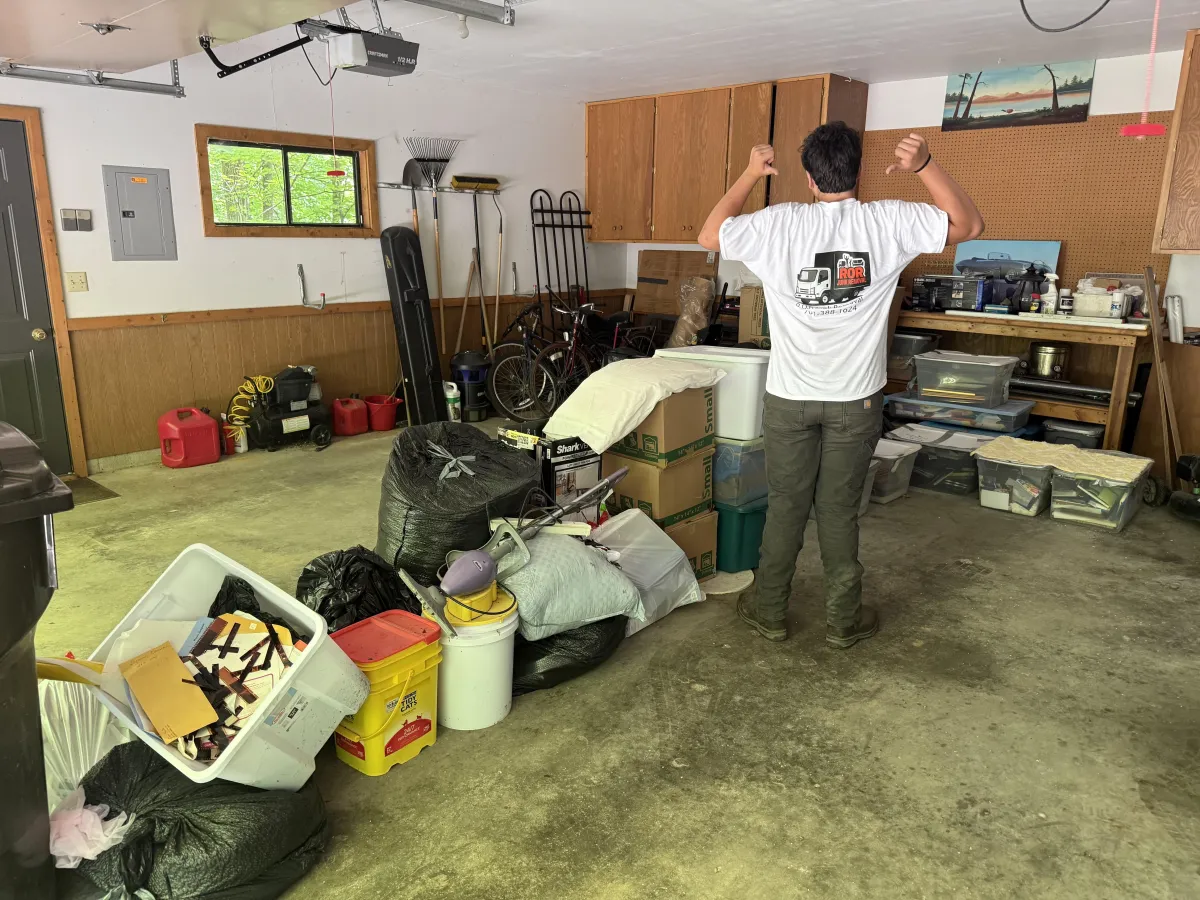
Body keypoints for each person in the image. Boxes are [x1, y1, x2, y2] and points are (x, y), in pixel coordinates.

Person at [697, 123, 983, 648]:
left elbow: (710, 236)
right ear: (859, 172)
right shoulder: (889, 220)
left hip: (789, 397)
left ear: (808, 177)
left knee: (785, 504)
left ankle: (769, 611)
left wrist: (748, 174)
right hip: (856, 400)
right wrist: (924, 165)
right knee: (837, 509)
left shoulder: (779, 224)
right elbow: (968, 223)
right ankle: (843, 621)